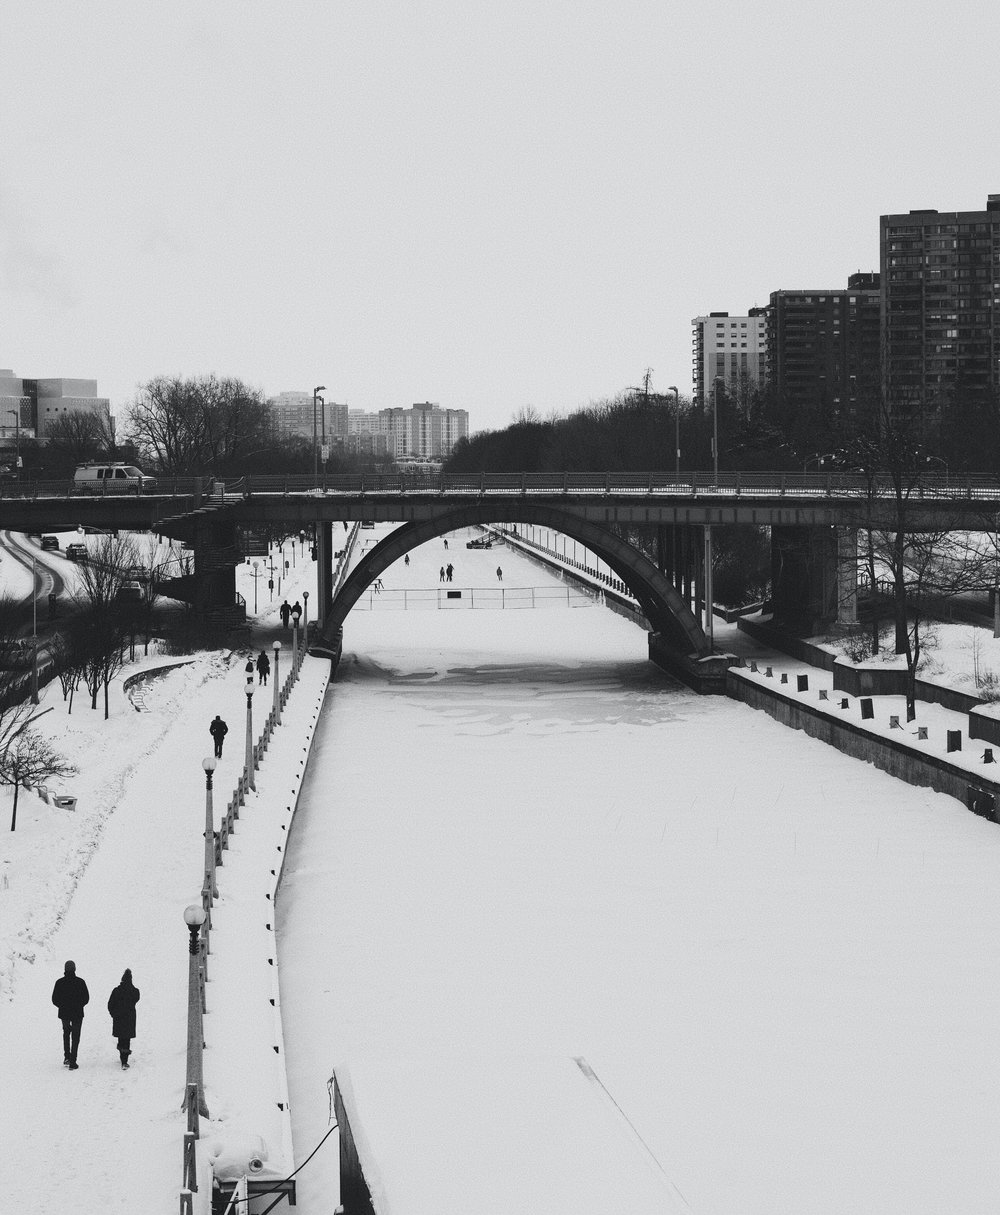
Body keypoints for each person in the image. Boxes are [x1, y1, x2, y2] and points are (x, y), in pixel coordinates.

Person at [52, 960, 89, 1069]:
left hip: (64, 1013)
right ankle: (73, 1061)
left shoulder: (59, 982)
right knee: (76, 1036)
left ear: (65, 969)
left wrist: (62, 1006)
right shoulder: (80, 982)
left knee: (66, 1033)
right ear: (75, 969)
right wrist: (79, 1005)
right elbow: (86, 998)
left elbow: (54, 999)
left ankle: (67, 1057)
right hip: (77, 1013)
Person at [107, 969, 140, 1069]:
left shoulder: (117, 991)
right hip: (129, 1019)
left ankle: (123, 1057)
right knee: (127, 1039)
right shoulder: (134, 991)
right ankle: (124, 1060)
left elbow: (110, 1005)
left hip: (119, 1018)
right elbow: (137, 997)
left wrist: (114, 1014)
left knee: (121, 1038)